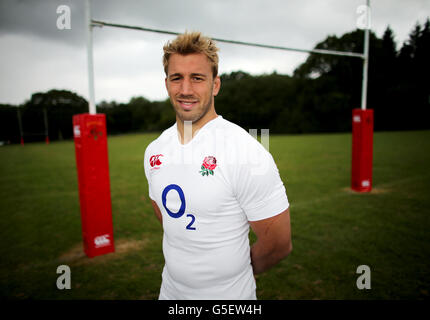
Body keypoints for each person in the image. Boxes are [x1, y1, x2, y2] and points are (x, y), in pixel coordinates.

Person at [144, 31, 292, 300]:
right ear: (167, 84)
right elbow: (168, 221)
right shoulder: (154, 150)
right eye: (177, 78)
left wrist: (231, 275)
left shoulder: (246, 151)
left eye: (197, 78)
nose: (186, 89)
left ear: (215, 85)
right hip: (170, 293)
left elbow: (278, 245)